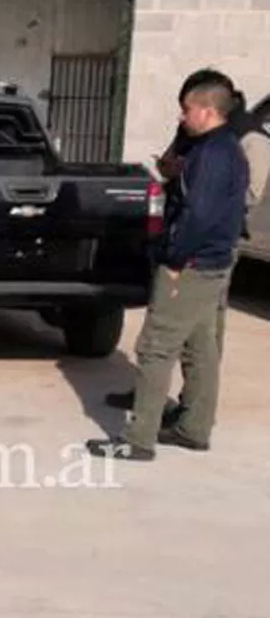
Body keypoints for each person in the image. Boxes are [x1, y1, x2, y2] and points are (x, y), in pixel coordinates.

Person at [87, 73, 248, 461]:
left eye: (187, 109)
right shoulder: (223, 148)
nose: (181, 116)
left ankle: (138, 438)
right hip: (214, 262)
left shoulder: (212, 155)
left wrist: (175, 259)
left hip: (192, 265)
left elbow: (199, 215)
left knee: (156, 347)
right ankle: (193, 427)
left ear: (208, 111)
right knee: (200, 346)